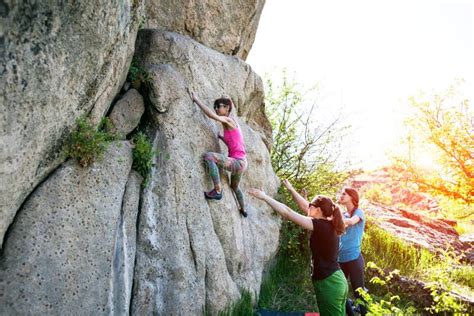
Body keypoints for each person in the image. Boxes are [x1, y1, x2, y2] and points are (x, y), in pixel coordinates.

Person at [248, 187, 348, 316]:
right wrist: (291, 190)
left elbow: (287, 212)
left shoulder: (320, 225)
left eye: (311, 205)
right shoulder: (330, 223)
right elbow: (304, 206)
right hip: (337, 280)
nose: (307, 207)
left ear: (318, 210)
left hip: (329, 283)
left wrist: (265, 197)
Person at [191, 92, 248, 217]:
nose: (216, 109)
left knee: (209, 156)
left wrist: (196, 100)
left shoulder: (229, 120)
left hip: (237, 162)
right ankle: (243, 209)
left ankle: (217, 191)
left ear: (227, 108)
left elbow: (211, 115)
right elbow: (234, 142)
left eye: (219, 106)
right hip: (241, 163)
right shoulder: (231, 125)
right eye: (215, 106)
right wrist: (221, 137)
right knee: (234, 187)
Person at [338, 187, 367, 316]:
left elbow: (351, 221)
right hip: (340, 260)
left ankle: (364, 313)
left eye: (344, 194)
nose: (341, 195)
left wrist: (337, 222)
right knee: (340, 291)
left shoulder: (359, 213)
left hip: (354, 258)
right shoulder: (342, 215)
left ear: (352, 197)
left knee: (358, 292)